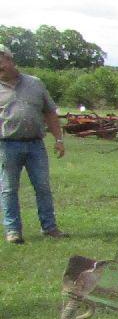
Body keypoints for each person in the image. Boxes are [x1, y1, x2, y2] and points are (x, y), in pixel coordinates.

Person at [0, 44, 68, 243]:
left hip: (35, 145)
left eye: (1, 65)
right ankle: (13, 230)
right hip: (7, 145)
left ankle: (49, 227)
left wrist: (59, 139)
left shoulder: (35, 84)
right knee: (8, 189)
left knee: (43, 187)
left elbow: (49, 113)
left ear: (10, 60)